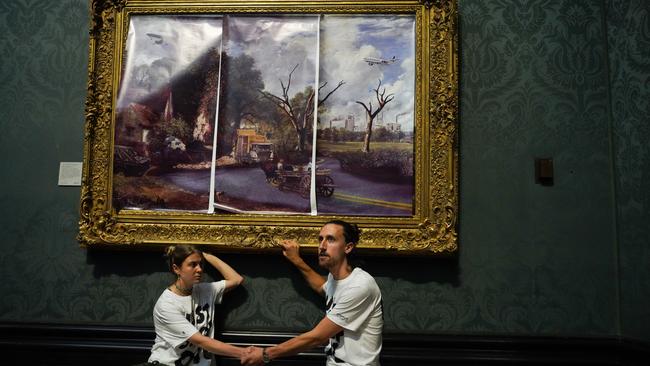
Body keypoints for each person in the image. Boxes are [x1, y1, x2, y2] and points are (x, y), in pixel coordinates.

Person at [242, 220, 383, 366]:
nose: (322, 246)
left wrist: (265, 354)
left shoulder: (360, 286)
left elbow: (317, 337)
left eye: (330, 239)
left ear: (348, 247)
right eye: (320, 239)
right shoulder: (336, 279)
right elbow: (321, 286)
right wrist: (296, 260)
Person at [146, 245, 248, 366]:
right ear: (176, 269)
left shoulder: (205, 290)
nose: (199, 269)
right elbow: (201, 341)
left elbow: (236, 279)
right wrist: (244, 353)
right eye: (192, 265)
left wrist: (207, 256)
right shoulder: (167, 304)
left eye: (200, 264)